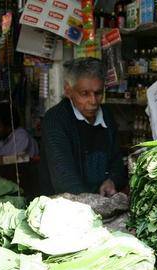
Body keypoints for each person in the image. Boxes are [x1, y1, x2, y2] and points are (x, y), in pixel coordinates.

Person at [41, 58, 127, 196]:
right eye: (84, 94)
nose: (93, 101)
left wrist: (112, 181)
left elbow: (117, 163)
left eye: (98, 93)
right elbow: (65, 181)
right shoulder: (55, 120)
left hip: (99, 203)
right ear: (68, 90)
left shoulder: (107, 116)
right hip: (64, 207)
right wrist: (94, 206)